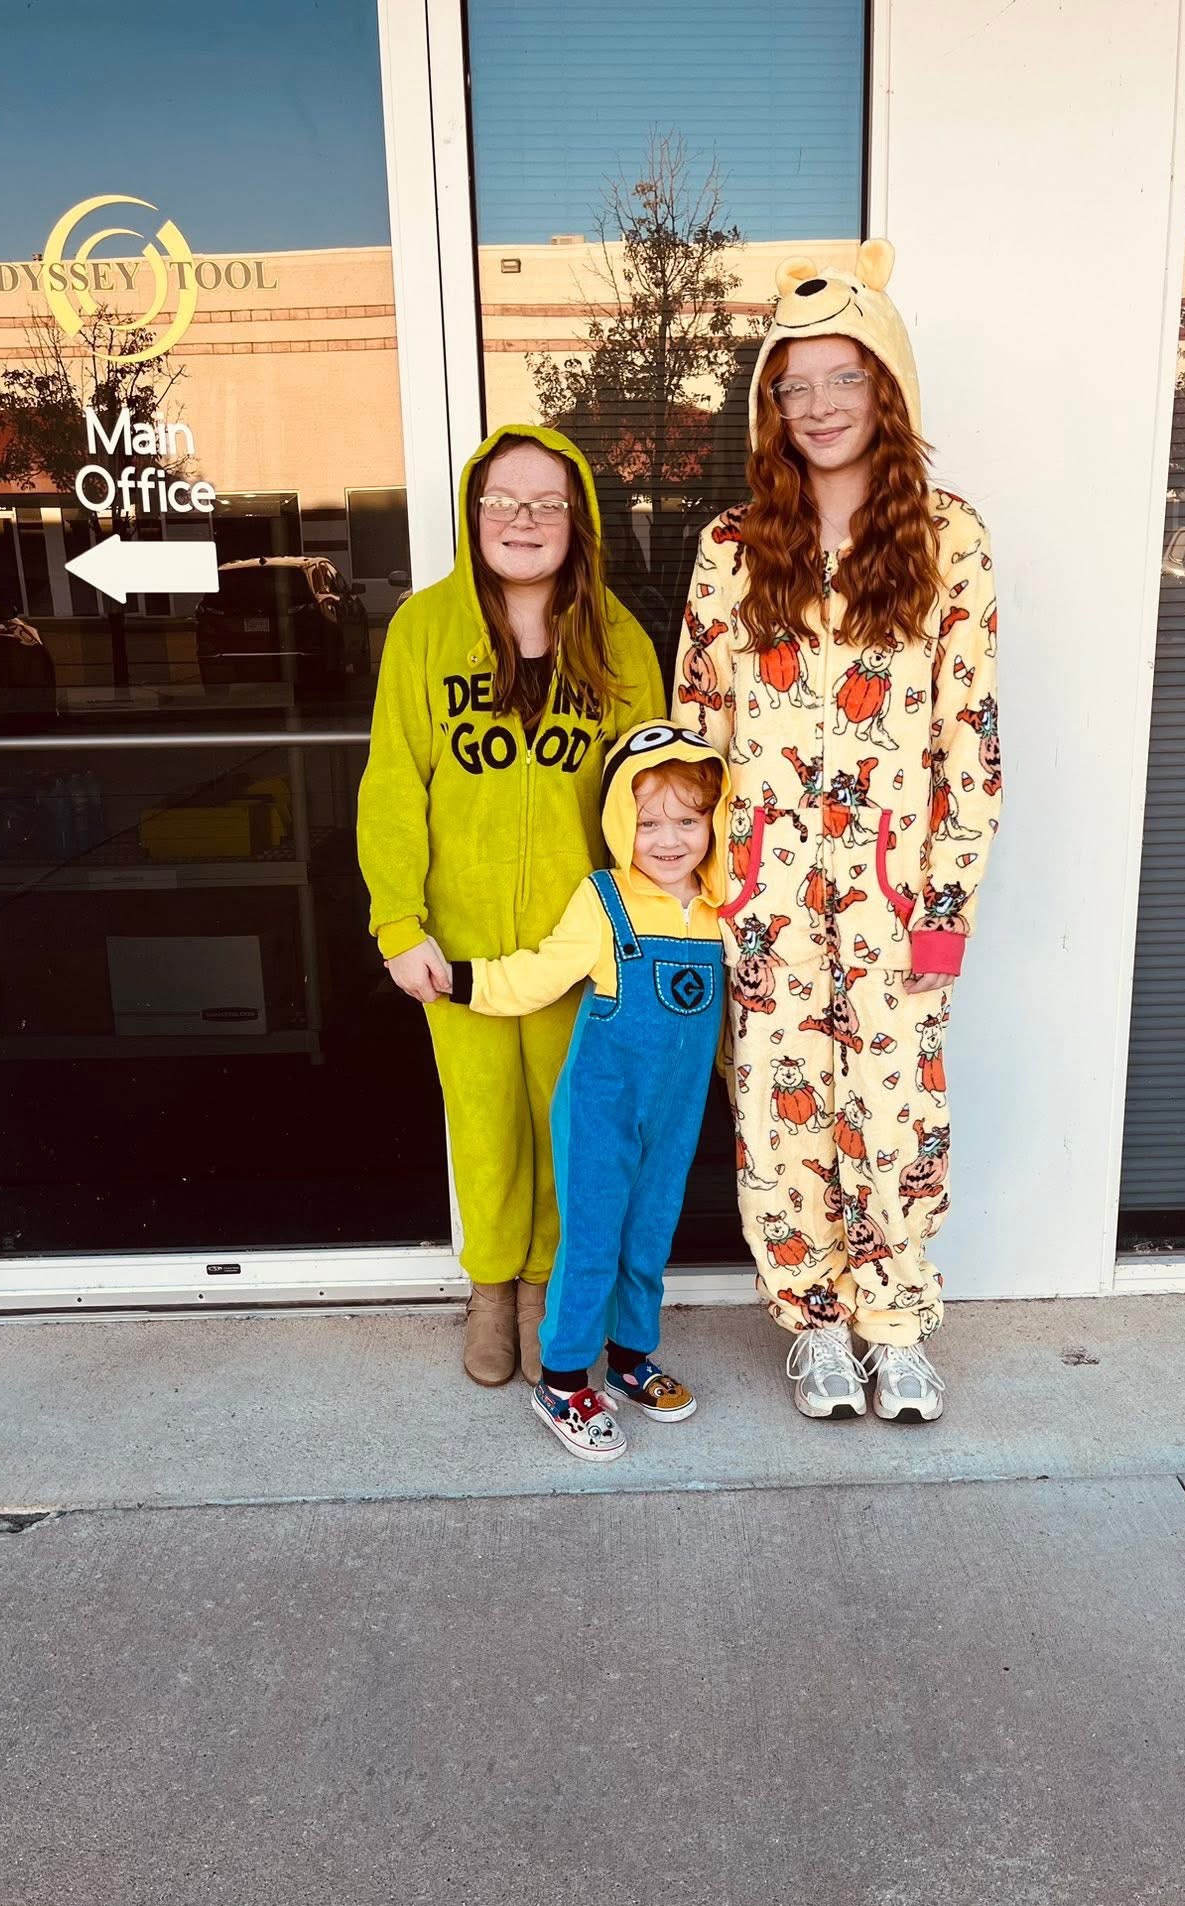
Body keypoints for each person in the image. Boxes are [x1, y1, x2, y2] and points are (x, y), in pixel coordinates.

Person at [672, 238, 1002, 1425]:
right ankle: (812, 1323)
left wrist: (944, 906)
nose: (818, 405)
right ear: (771, 406)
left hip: (898, 898)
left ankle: (896, 1321)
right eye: (793, 384)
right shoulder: (730, 547)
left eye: (843, 377)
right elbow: (696, 731)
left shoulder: (949, 539)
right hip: (761, 899)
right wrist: (698, 890)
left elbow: (970, 739)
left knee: (898, 1116)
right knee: (780, 1116)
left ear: (886, 385)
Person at [358, 426, 664, 1389]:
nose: (520, 520)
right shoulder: (423, 630)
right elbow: (393, 785)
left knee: (572, 1129)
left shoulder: (618, 640)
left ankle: (548, 1293)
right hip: (463, 946)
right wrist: (399, 922)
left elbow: (649, 799)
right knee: (485, 1124)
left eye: (544, 504)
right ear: (472, 512)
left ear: (578, 521)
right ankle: (491, 1288)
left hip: (583, 949)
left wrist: (644, 928)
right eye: (501, 500)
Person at [443, 723, 729, 1461]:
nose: (668, 839)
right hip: (601, 1105)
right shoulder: (606, 901)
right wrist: (463, 981)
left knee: (651, 1231)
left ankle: (631, 1358)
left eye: (687, 820)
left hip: (675, 1112)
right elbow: (540, 973)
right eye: (648, 821)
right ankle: (564, 1379)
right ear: (618, 820)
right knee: (593, 1238)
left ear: (714, 820)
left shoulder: (723, 905)